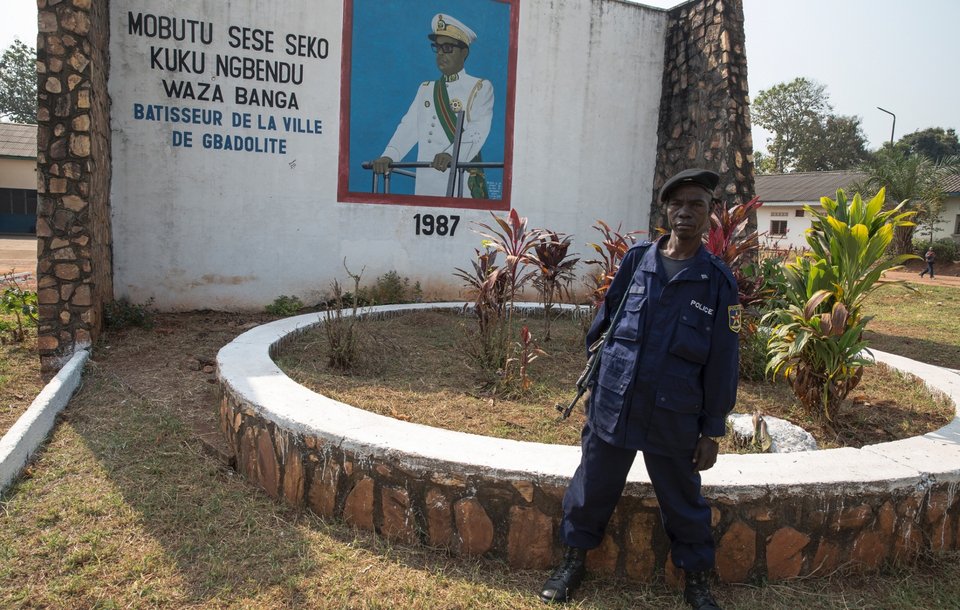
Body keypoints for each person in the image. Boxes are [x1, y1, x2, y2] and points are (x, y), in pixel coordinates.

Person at [539, 169, 741, 610]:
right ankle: (572, 562)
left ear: (710, 217)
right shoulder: (636, 262)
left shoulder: (719, 283)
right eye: (678, 204)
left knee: (683, 500)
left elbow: (725, 362)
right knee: (591, 487)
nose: (686, 212)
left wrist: (712, 430)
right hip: (614, 404)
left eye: (697, 206)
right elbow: (604, 322)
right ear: (666, 211)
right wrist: (601, 375)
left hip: (674, 414)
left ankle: (696, 580)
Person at [372, 14, 494, 198]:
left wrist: (451, 154)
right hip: (426, 182)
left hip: (459, 183)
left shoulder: (479, 87)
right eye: (437, 48)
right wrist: (389, 155)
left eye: (447, 48)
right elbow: (409, 127)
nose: (440, 54)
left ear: (464, 52)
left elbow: (477, 129)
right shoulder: (426, 89)